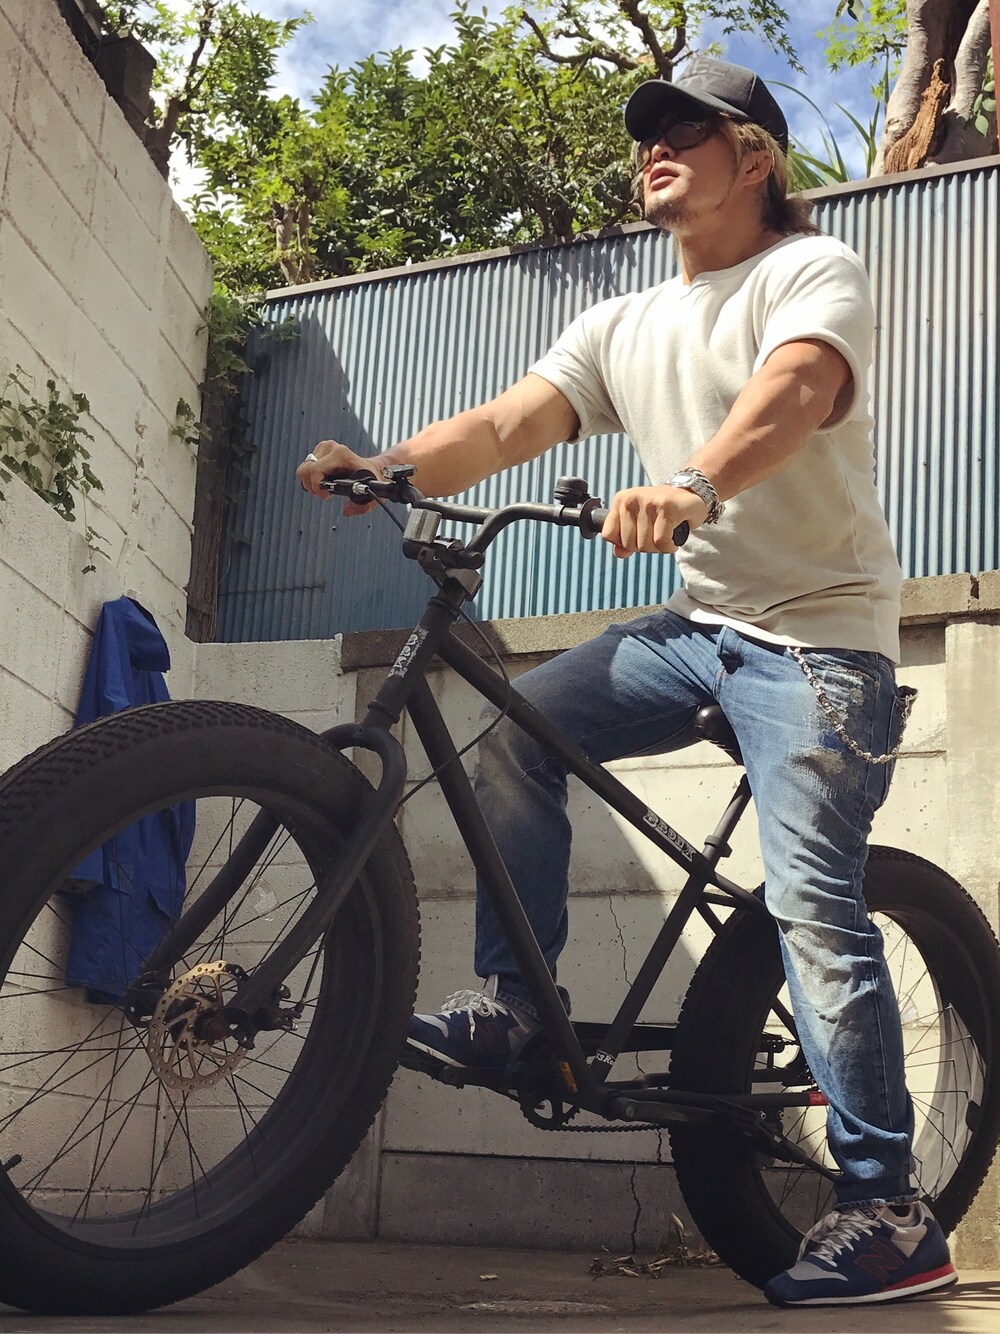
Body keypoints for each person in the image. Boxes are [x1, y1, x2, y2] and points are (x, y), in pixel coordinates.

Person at [297, 57, 957, 1308]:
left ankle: (889, 1205)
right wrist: (391, 465)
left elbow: (796, 389)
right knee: (518, 726)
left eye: (684, 130)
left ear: (752, 158)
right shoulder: (621, 323)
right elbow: (509, 423)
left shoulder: (810, 271)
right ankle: (518, 1006)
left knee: (812, 900)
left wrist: (694, 484)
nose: (653, 147)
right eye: (644, 132)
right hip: (697, 624)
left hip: (821, 635)